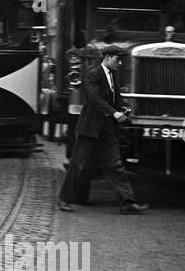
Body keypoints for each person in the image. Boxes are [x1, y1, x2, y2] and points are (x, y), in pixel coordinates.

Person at [57, 45, 149, 213]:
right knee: (78, 164)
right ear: (107, 58)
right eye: (117, 59)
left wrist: (126, 108)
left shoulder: (113, 75)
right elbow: (94, 99)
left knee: (115, 165)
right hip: (90, 128)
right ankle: (64, 199)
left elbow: (117, 98)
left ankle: (128, 202)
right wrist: (114, 113)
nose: (119, 63)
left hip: (106, 129)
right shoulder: (93, 74)